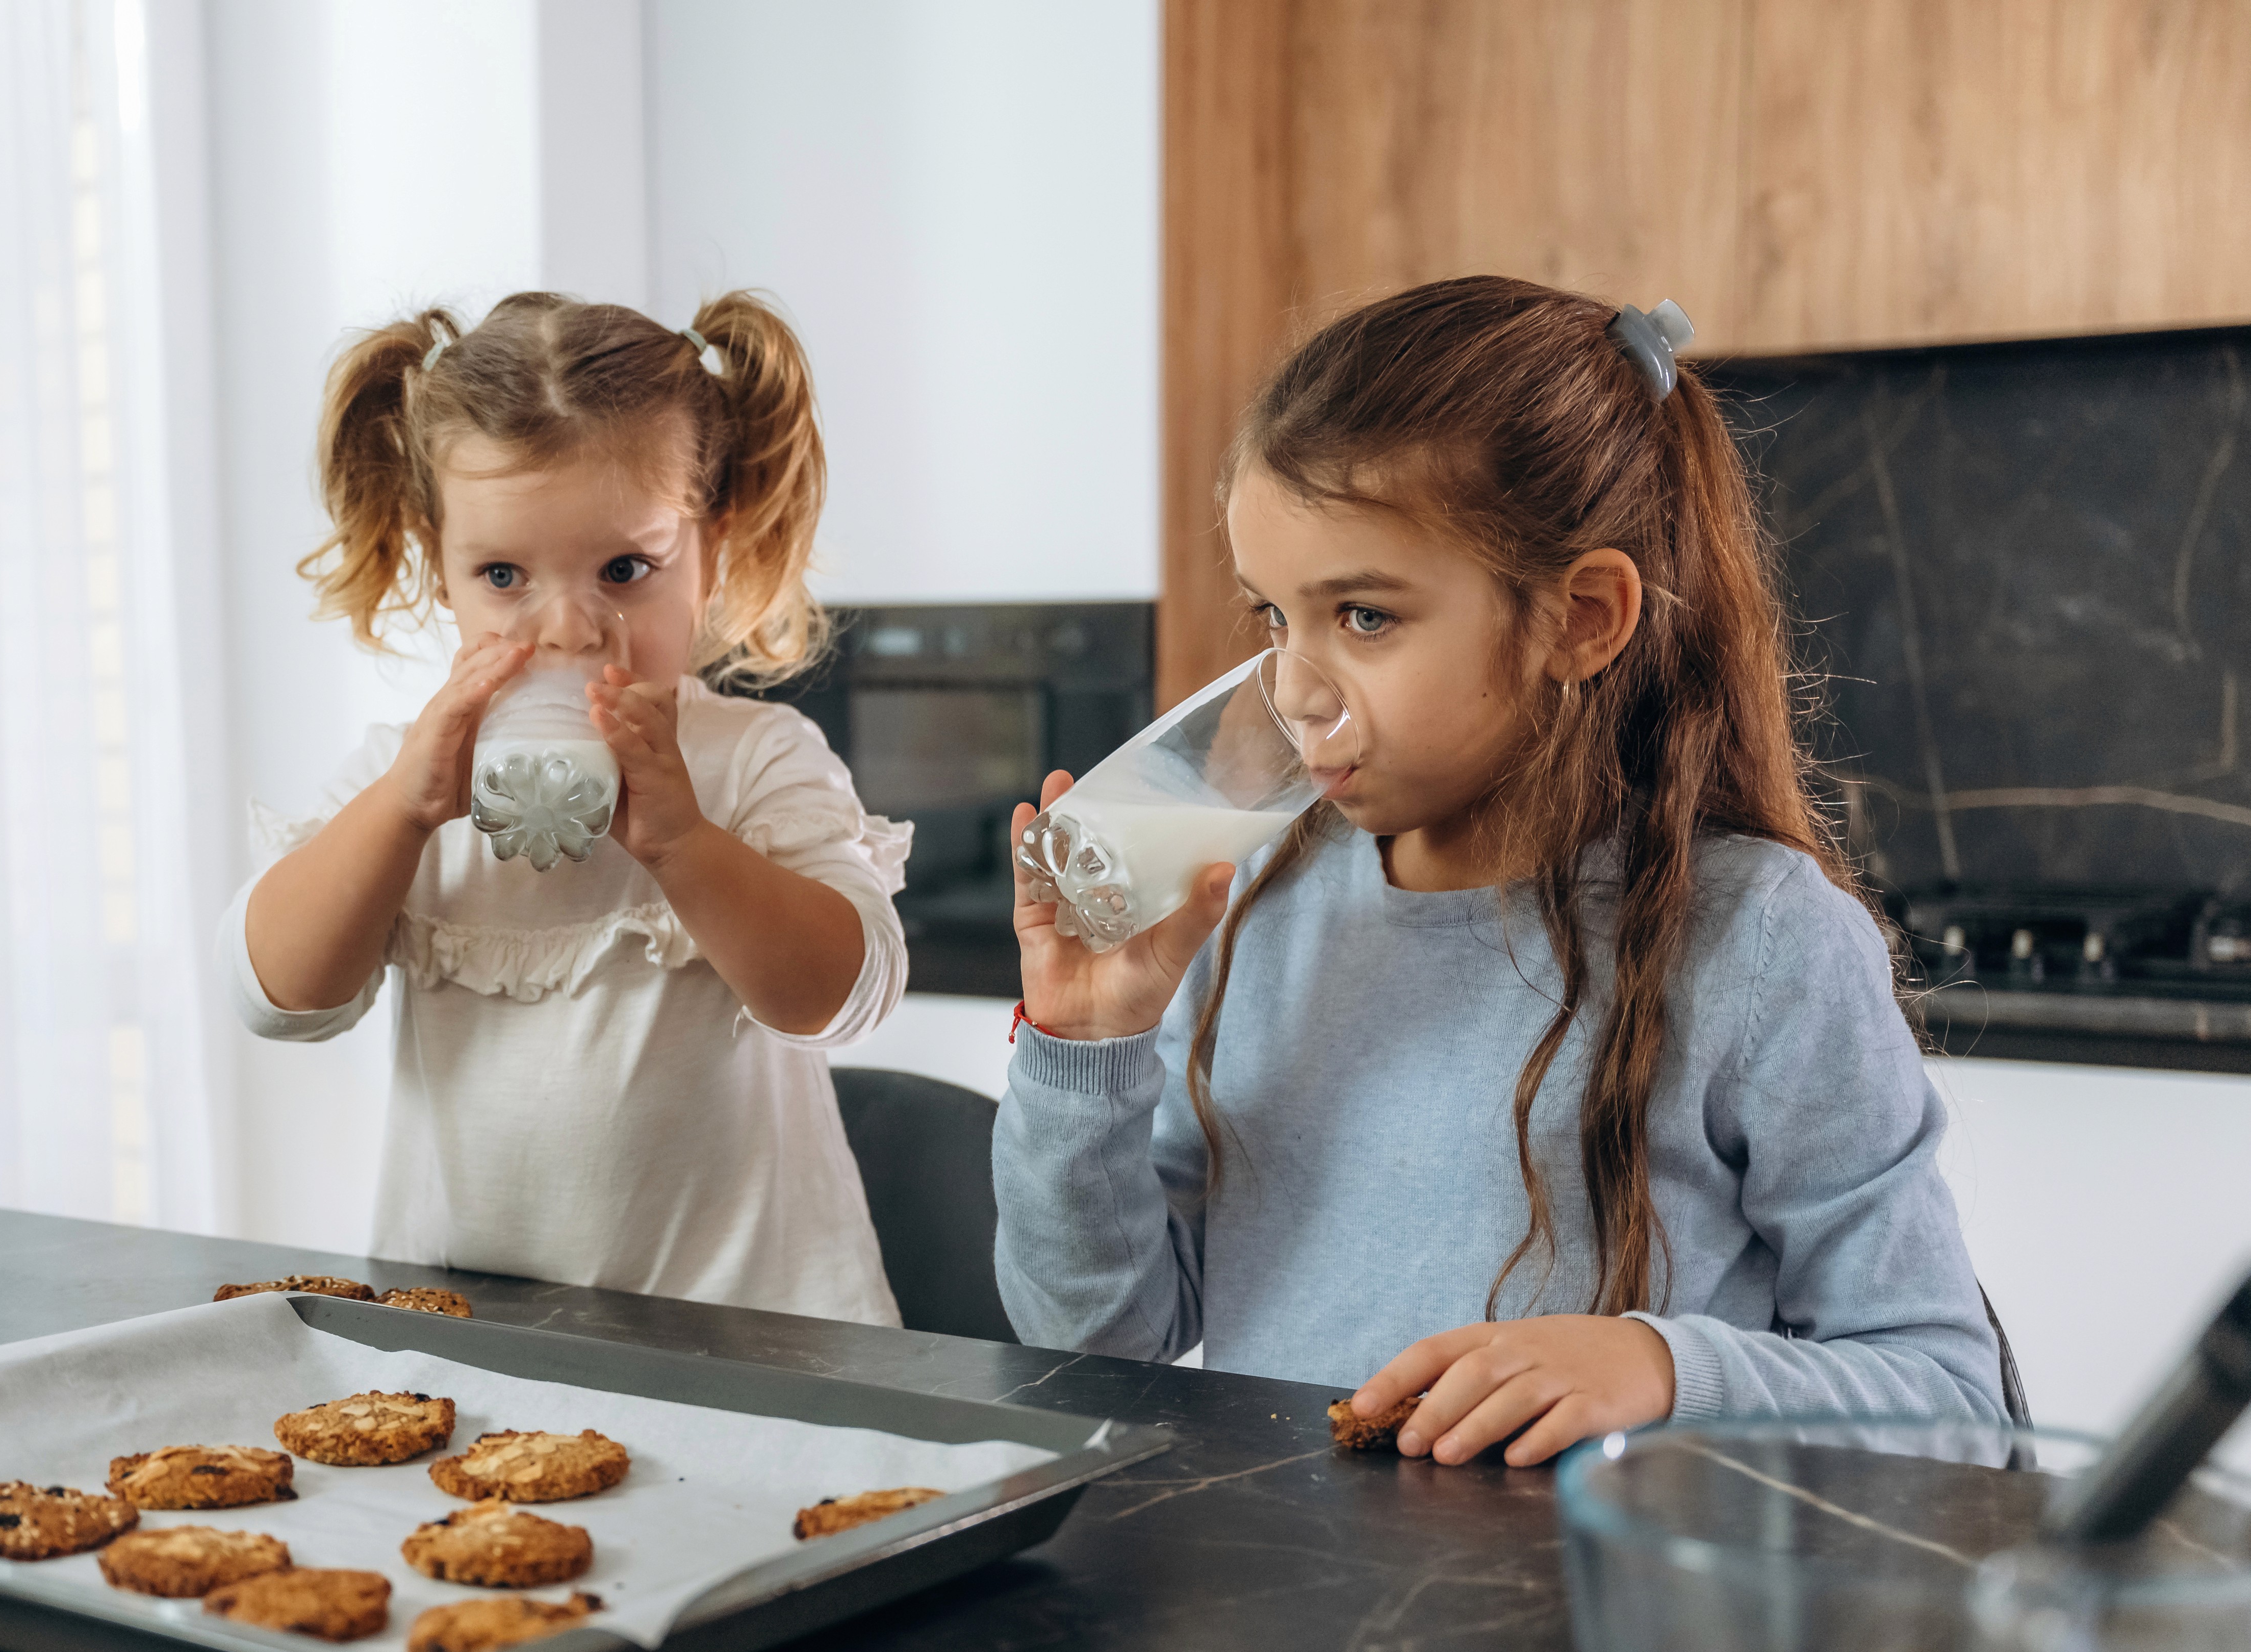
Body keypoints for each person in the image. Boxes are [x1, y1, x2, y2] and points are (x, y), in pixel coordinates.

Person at [993, 276, 2012, 1466]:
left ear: (1580, 617)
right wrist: (1082, 1049)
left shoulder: (1761, 944)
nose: (1295, 689)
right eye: (1274, 618)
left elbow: (1950, 1407)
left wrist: (1657, 1366)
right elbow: (1094, 1342)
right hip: (1282, 1619)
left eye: (1364, 617)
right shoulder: (1247, 912)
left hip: (1587, 1631)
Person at [223, 291, 907, 1324]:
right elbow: (279, 997)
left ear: (709, 553)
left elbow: (839, 995)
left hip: (754, 1339)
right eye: (503, 575)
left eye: (626, 570)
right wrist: (403, 812)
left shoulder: (753, 759)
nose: (570, 632)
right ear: (439, 570)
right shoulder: (402, 777)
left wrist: (684, 842)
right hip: (468, 1342)